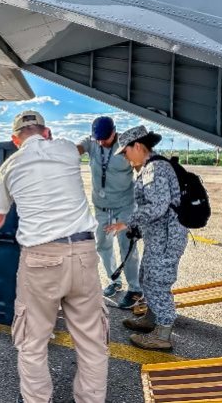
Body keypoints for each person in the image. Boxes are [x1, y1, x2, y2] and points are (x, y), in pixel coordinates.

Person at [0, 110, 108, 403]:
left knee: (33, 341)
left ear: (15, 139)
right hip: (84, 254)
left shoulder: (9, 167)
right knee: (91, 341)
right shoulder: (64, 149)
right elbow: (78, 147)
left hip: (41, 259)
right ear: (46, 132)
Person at [106, 125, 188, 350]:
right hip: (159, 238)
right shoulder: (150, 168)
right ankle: (152, 319)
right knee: (146, 278)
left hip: (166, 240)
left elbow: (158, 206)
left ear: (138, 146)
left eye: (125, 151)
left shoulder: (155, 168)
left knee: (157, 283)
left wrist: (128, 222)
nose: (124, 156)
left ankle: (162, 335)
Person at [77, 116, 141, 308]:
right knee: (103, 245)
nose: (101, 142)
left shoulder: (126, 145)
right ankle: (114, 280)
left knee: (127, 246)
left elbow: (141, 169)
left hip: (125, 206)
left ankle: (135, 289)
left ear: (114, 132)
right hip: (102, 208)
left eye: (105, 138)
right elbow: (75, 150)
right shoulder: (92, 142)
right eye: (98, 138)